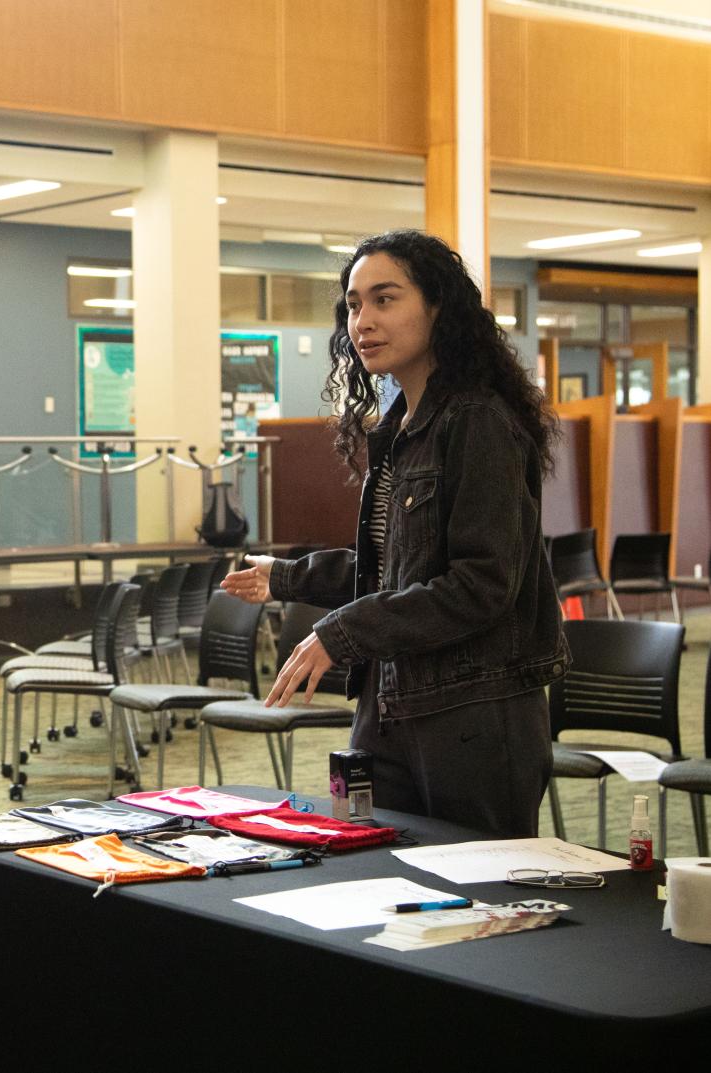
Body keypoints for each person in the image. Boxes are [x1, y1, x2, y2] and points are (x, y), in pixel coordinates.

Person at [222, 230, 568, 837]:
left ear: (437, 307)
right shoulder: (399, 429)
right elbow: (388, 570)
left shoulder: (478, 421)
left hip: (473, 713)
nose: (364, 322)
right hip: (390, 702)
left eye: (385, 299)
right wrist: (285, 577)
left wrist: (343, 633)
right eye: (354, 305)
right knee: (381, 886)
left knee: (478, 905)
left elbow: (481, 586)